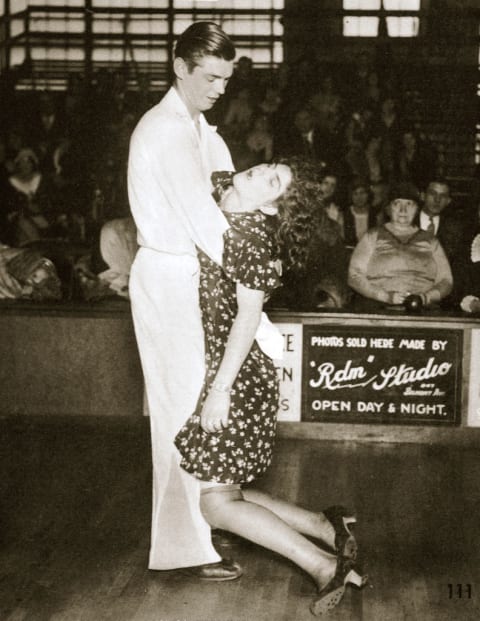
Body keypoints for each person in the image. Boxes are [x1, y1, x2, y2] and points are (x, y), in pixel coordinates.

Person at [174, 160, 366, 616]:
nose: (259, 174)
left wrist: (220, 390)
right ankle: (324, 525)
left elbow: (246, 319)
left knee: (218, 505)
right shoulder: (224, 186)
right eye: (266, 167)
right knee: (224, 487)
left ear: (275, 208)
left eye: (273, 182)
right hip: (222, 366)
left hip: (237, 375)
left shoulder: (252, 239)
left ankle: (322, 564)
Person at [127, 22, 242, 580]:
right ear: (180, 66)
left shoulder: (203, 131)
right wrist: (254, 285)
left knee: (199, 408)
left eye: (227, 78)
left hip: (197, 277)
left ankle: (206, 525)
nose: (220, 87)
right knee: (178, 412)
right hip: (170, 278)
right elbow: (207, 223)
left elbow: (231, 205)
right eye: (211, 76)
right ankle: (185, 549)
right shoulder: (165, 129)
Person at [348, 182, 453, 311]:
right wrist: (385, 296)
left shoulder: (431, 240)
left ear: (417, 209)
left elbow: (446, 280)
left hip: (422, 310)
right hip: (378, 308)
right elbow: (354, 276)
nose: (403, 210)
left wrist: (425, 298)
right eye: (397, 203)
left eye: (409, 204)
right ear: (388, 208)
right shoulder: (372, 235)